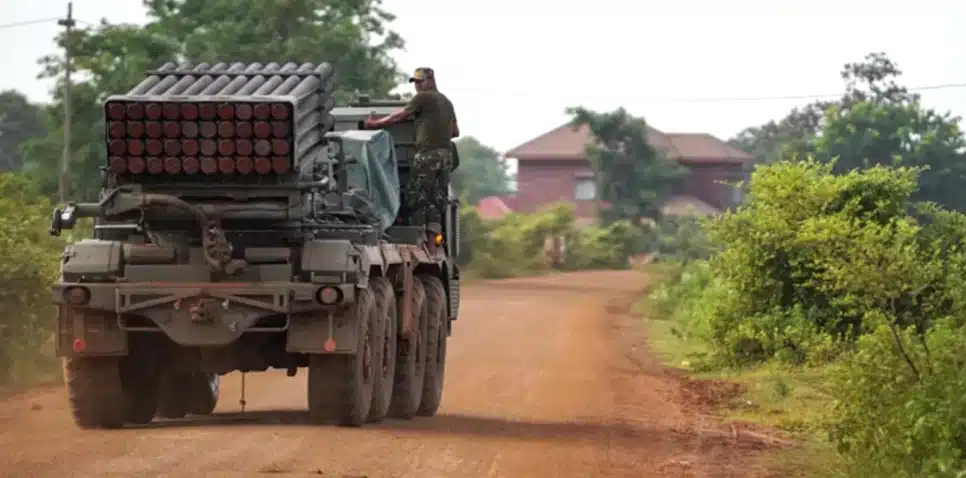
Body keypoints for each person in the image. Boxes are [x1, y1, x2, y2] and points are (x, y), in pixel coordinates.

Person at [363, 67, 459, 233]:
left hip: (427, 155)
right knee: (436, 202)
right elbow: (455, 132)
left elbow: (400, 115)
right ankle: (431, 245)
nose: (417, 86)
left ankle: (418, 239)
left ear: (430, 81)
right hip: (445, 157)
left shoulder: (423, 98)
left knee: (417, 198)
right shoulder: (446, 101)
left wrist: (375, 124)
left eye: (420, 82)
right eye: (415, 82)